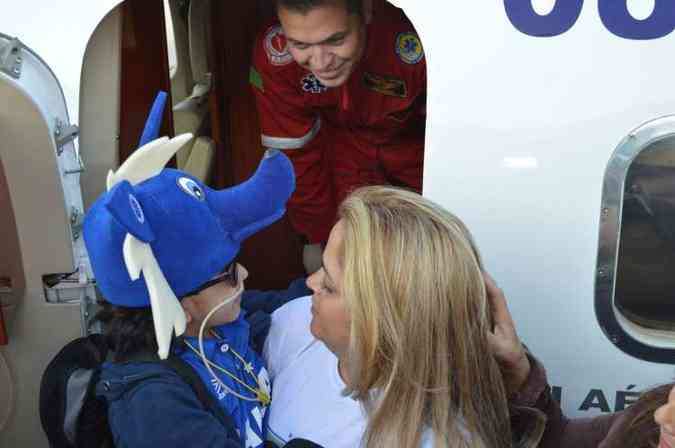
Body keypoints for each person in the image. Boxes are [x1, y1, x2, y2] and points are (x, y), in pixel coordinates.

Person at [261, 186, 548, 448]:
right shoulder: (293, 325)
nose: (310, 283)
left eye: (329, 286)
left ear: (382, 322)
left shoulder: (438, 440)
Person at [83, 134, 298, 448]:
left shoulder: (213, 325)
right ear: (180, 307)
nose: (244, 275)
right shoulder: (157, 408)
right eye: (228, 273)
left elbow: (281, 305)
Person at [250, 0, 426, 271]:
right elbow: (297, 158)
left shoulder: (416, 43)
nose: (320, 63)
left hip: (416, 155)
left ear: (366, 10)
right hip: (342, 159)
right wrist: (316, 237)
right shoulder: (275, 59)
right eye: (300, 45)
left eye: (336, 39)